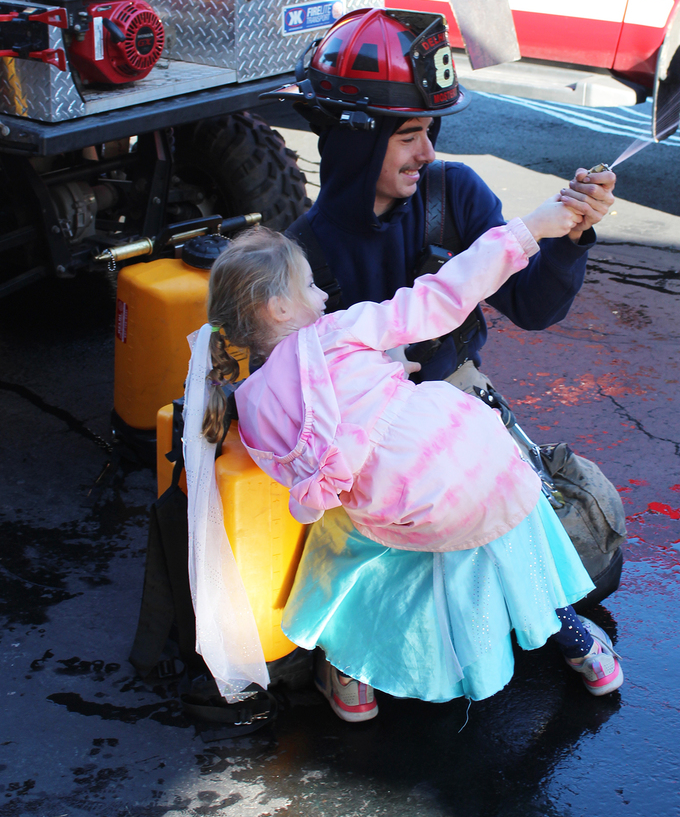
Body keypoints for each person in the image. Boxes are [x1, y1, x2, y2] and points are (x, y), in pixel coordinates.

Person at [183, 197, 624, 725]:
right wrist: (527, 231)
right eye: (308, 287)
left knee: (341, 538)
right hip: (480, 461)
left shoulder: (252, 407)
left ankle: (350, 681)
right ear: (279, 309)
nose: (321, 295)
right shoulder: (338, 329)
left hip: (409, 507)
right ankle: (583, 649)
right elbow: (441, 295)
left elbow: (311, 450)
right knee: (510, 529)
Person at [282, 7, 623, 603]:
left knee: (586, 572)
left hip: (462, 417)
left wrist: (569, 239)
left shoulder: (453, 192)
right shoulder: (299, 256)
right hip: (363, 453)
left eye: (429, 132)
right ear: (355, 143)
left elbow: (534, 306)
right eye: (407, 136)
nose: (425, 153)